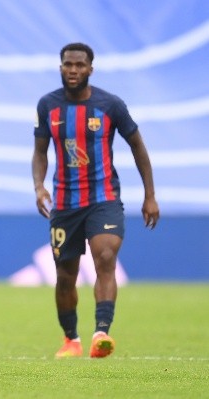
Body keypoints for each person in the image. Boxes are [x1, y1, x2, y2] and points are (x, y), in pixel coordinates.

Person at [32, 42, 160, 359]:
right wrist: (38, 186)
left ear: (90, 68)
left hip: (104, 197)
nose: (73, 70)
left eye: (79, 65)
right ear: (61, 67)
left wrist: (150, 195)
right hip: (64, 202)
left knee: (104, 257)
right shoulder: (48, 105)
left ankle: (101, 333)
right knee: (65, 276)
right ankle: (70, 339)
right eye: (67, 64)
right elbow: (40, 151)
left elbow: (138, 147)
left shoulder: (110, 105)